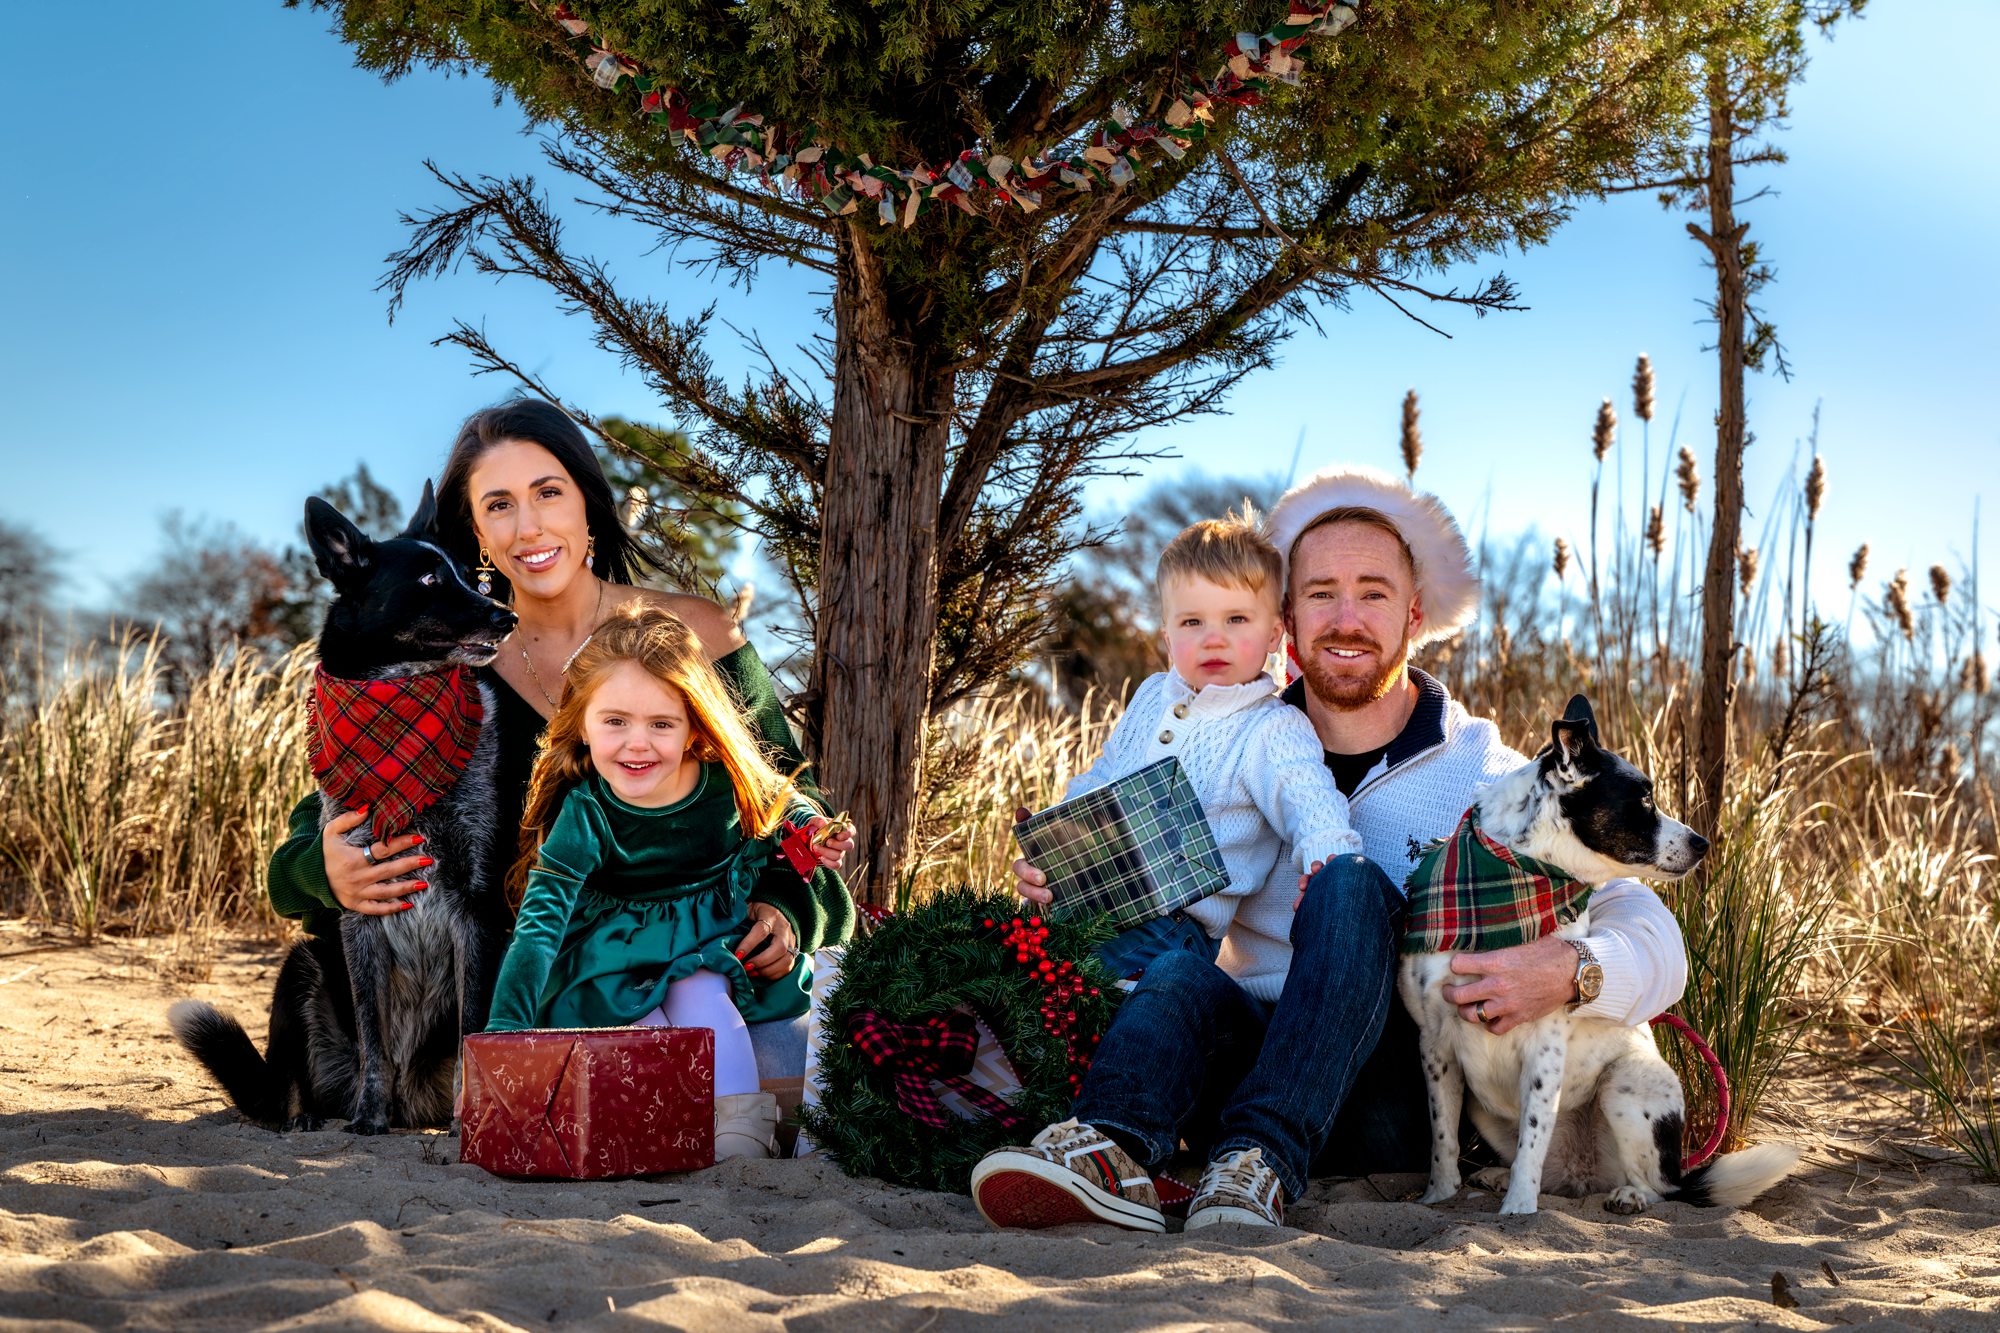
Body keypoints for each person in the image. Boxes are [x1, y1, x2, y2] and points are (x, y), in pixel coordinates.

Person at [972, 463, 1687, 1233]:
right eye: (1321, 594)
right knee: (1181, 971)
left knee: (1348, 885)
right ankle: (1107, 1149)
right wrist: (1070, 873)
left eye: (1373, 593)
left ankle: (1261, 1161)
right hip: (1242, 1068)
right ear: (1286, 616)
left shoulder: (1484, 774)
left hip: (1393, 1094)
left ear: (1414, 614)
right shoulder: (1231, 739)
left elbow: (1651, 931)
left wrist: (1573, 970)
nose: (1347, 618)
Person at [265, 398, 855, 985]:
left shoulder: (694, 635)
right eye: (500, 506)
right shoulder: (445, 666)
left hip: (705, 966)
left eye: (549, 493)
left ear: (587, 503)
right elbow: (327, 820)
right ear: (476, 532)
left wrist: (785, 909)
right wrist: (321, 873)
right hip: (526, 999)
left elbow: (792, 795)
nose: (529, 528)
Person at [483, 606, 837, 1158]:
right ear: (582, 722)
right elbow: (539, 927)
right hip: (614, 962)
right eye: (615, 721)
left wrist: (814, 832)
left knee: (704, 996)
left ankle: (742, 1141)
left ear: (694, 726)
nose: (637, 743)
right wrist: (505, 1038)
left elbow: (783, 803)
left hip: (704, 945)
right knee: (640, 1028)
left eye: (661, 724)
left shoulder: (725, 783)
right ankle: (670, 1141)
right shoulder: (585, 813)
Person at [1032, 510, 1363, 979]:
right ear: (1167, 636)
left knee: (1058, 980)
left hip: (1175, 929)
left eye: (1235, 619)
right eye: (1192, 622)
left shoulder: (1272, 727)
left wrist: (1329, 862)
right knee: (998, 960)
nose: (1213, 639)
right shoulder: (1151, 695)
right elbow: (1103, 776)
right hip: (1096, 903)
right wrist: (1054, 843)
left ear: (1274, 634)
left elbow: (1311, 801)